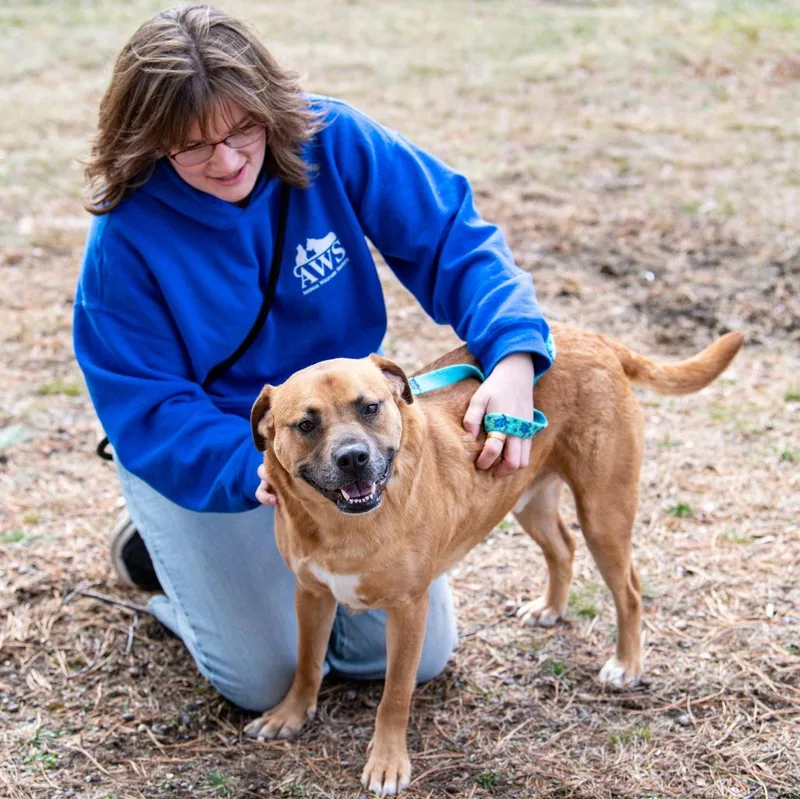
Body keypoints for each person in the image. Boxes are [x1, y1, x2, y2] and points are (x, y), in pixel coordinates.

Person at [73, 3, 553, 713]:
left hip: (345, 435)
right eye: (193, 146)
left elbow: (454, 237)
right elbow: (146, 401)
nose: (229, 160)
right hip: (219, 452)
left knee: (410, 657)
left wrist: (514, 356)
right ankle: (167, 555)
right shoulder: (126, 241)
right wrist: (252, 467)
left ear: (273, 106)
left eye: (244, 130)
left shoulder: (331, 138)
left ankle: (249, 573)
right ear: (149, 143)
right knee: (261, 677)